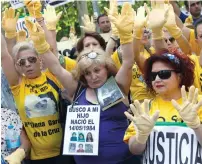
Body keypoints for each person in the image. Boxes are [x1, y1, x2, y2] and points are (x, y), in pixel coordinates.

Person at [26, 2, 139, 163]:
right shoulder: (77, 88)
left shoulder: (119, 84)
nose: (93, 76)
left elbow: (128, 61)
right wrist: (41, 45)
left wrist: (126, 36)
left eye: (97, 70)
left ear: (107, 69)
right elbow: (56, 67)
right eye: (87, 73)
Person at [124, 1, 202, 163]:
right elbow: (134, 149)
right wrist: (141, 137)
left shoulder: (197, 104)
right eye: (153, 76)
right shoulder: (145, 108)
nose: (157, 79)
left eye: (164, 74)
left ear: (180, 76)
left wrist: (196, 126)